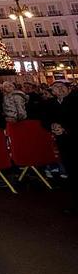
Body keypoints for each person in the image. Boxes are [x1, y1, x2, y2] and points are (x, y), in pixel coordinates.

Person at [48, 81, 77, 213]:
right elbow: (46, 118)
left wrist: (65, 129)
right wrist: (53, 125)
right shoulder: (52, 103)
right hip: (64, 143)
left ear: (68, 88)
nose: (59, 90)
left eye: (61, 87)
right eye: (56, 88)